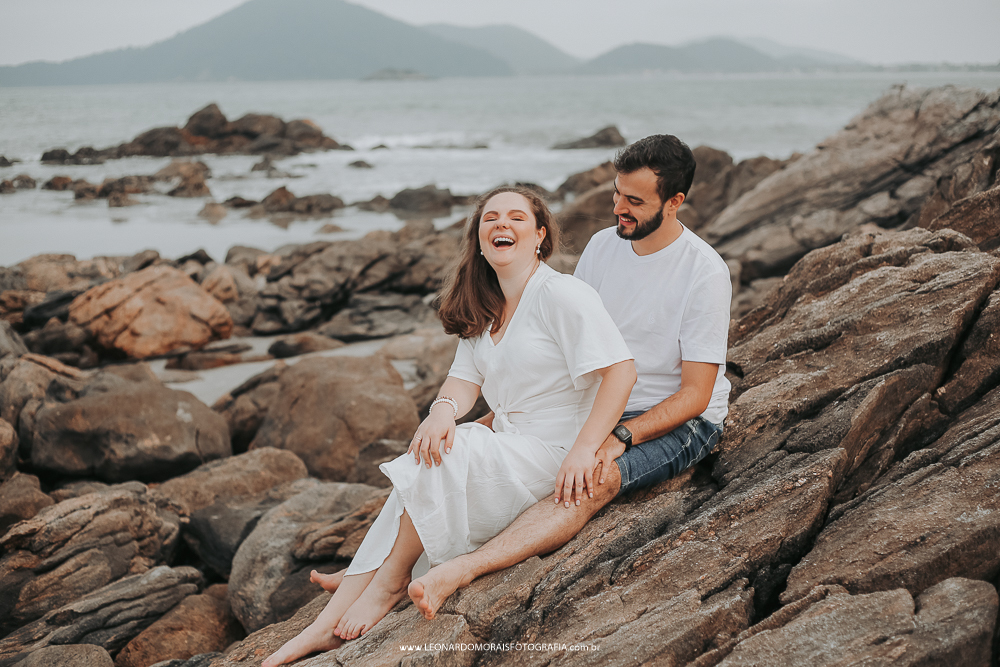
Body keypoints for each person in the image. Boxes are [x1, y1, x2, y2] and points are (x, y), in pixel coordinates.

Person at [263, 185, 636, 667]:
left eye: (517, 218)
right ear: (480, 240)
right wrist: (441, 411)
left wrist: (586, 449)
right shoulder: (486, 303)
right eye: (491, 218)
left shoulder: (562, 294)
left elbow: (622, 371)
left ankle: (387, 581)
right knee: (430, 454)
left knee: (449, 454)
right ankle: (324, 625)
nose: (503, 224)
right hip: (510, 443)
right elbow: (463, 379)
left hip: (554, 451)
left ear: (541, 236)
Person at [399, 134, 732, 620]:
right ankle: (382, 571)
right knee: (466, 446)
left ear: (675, 202)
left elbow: (697, 396)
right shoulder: (603, 246)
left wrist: (620, 436)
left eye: (635, 201)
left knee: (588, 480)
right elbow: (572, 344)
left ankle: (464, 569)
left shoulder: (704, 271)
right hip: (598, 401)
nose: (619, 207)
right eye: (617, 193)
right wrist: (498, 417)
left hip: (676, 421)